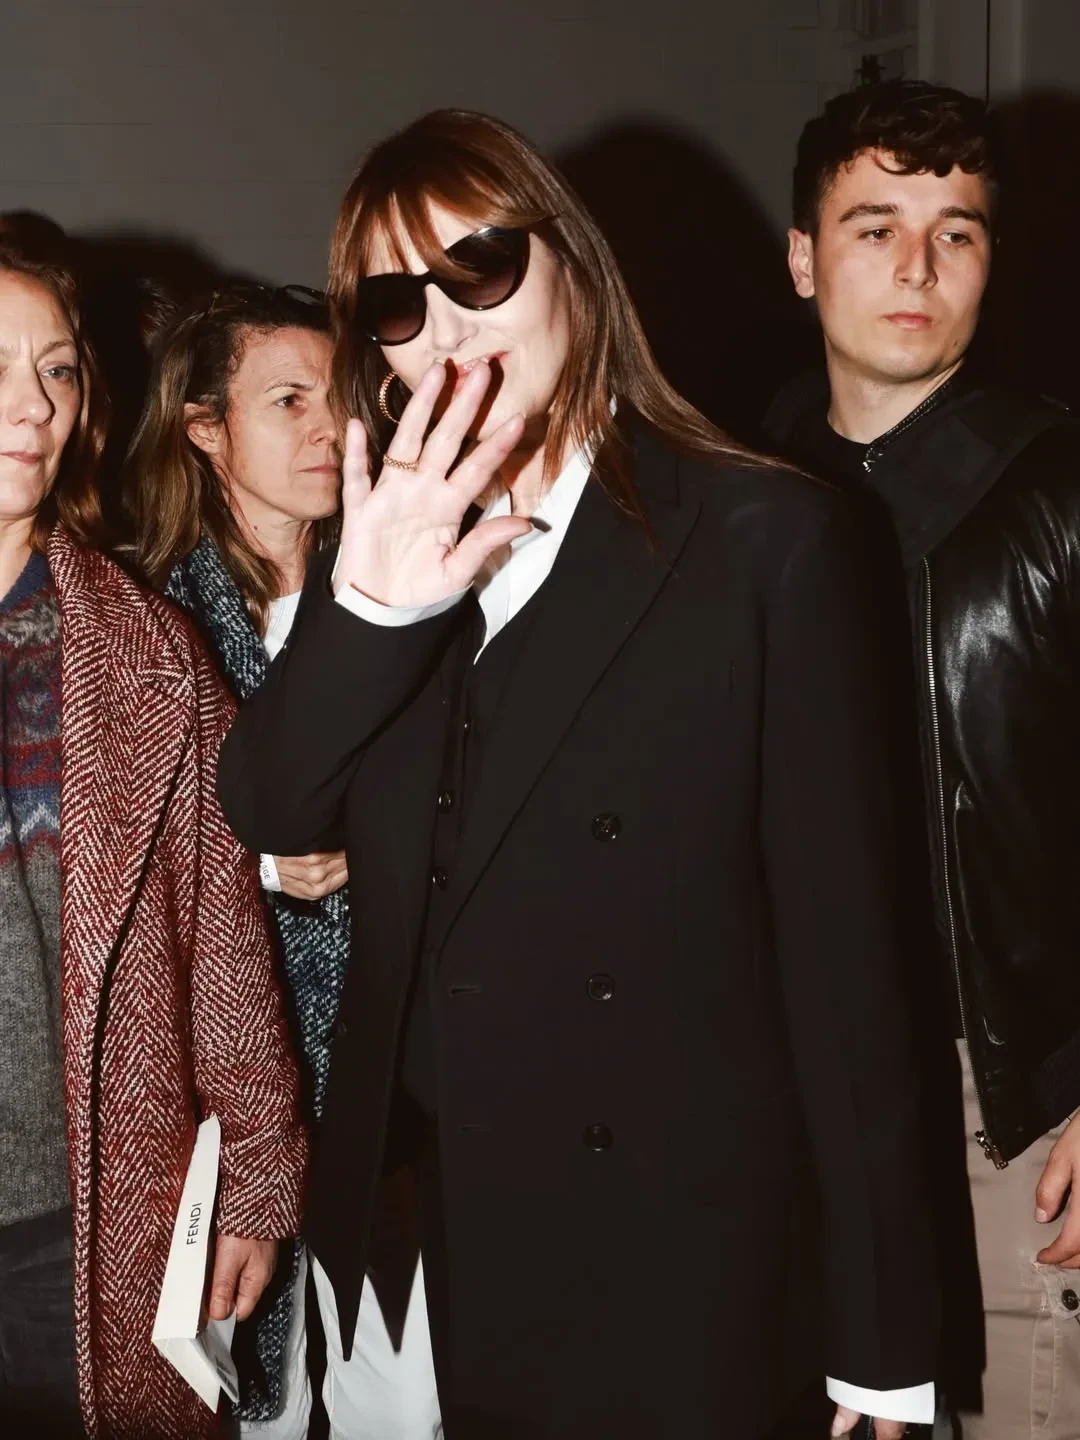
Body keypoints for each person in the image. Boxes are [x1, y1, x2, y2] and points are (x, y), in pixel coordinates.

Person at [217, 108, 938, 1440]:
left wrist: (884, 1336)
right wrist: (373, 609)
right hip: (421, 1236)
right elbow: (270, 804)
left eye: (480, 268)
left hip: (664, 1245)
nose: (444, 326)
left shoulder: (765, 538)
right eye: (396, 302)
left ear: (573, 268)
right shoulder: (383, 538)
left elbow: (848, 969)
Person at [766, 79, 1080, 1439]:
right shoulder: (728, 495)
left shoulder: (1056, 483)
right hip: (779, 1096)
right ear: (802, 258)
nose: (917, 266)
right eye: (875, 226)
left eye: (957, 232)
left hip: (1006, 1098)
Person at [0, 223, 307, 1436]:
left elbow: (223, 947)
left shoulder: (148, 658)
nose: (32, 405)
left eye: (57, 370)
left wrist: (256, 1182)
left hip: (81, 1221)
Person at [128, 281, 441, 1440]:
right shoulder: (149, 622)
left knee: (405, 1403)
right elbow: (122, 864)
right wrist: (259, 873)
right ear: (206, 429)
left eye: (340, 398)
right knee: (247, 1398)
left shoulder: (408, 597)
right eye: (288, 401)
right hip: (229, 1099)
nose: (329, 428)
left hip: (393, 1083)